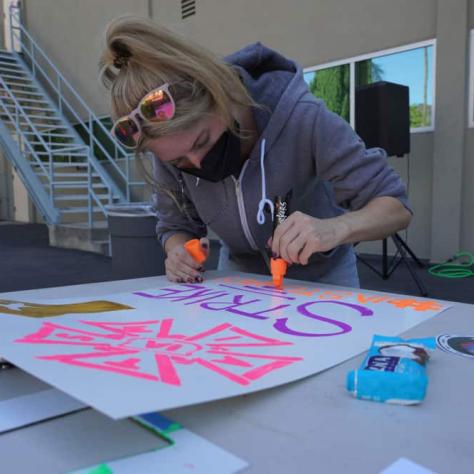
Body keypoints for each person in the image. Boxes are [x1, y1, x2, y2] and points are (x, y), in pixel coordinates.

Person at [99, 16, 412, 288]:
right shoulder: (167, 146)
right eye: (179, 161)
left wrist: (336, 228)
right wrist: (178, 251)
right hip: (238, 277)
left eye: (201, 141)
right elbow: (175, 225)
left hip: (323, 277)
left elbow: (395, 205)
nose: (195, 162)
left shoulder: (303, 118)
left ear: (221, 92)